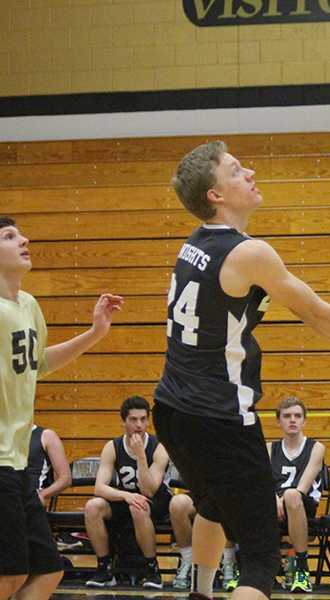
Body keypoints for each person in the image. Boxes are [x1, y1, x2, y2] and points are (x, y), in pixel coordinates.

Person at [153, 141, 330, 600]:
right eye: (234, 170)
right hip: (219, 417)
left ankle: (202, 592)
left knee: (212, 505)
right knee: (263, 555)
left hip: (171, 409)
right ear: (216, 195)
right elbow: (313, 309)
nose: (248, 172)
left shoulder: (194, 243)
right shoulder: (248, 253)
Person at [0, 215, 122, 600]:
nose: (24, 239)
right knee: (9, 574)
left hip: (18, 462)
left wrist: (95, 333)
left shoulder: (29, 305)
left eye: (20, 234)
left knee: (49, 570)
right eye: (9, 236)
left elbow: (40, 363)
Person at [84, 396, 171, 589]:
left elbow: (149, 490)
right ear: (123, 421)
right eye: (133, 419)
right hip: (128, 498)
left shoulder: (159, 447)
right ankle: (105, 568)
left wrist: (140, 456)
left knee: (138, 507)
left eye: (143, 419)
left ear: (148, 421)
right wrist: (125, 495)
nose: (139, 425)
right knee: (93, 507)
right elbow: (99, 488)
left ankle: (151, 569)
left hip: (156, 502)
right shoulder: (112, 447)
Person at [270, 396, 325, 593]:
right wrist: (274, 498)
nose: (292, 420)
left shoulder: (316, 447)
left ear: (304, 421)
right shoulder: (270, 449)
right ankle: (243, 566)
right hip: (274, 507)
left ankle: (302, 568)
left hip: (303, 505)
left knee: (293, 495)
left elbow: (303, 487)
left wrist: (283, 497)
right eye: (287, 416)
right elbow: (264, 483)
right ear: (278, 421)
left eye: (297, 416)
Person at [26, 425, 72, 507]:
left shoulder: (46, 436)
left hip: (31, 498)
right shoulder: (5, 437)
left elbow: (65, 479)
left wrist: (42, 495)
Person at [169, 492, 197, 590]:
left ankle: (230, 561)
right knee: (178, 503)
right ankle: (188, 561)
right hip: (198, 493)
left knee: (225, 497)